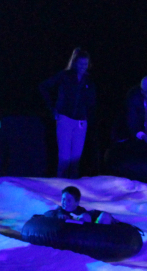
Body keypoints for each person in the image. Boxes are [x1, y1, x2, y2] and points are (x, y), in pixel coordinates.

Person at [40, 49, 97, 179]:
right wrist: (53, 109)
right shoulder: (64, 76)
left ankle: (72, 188)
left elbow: (92, 103)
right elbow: (43, 86)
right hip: (65, 118)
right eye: (81, 63)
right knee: (64, 158)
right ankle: (60, 186)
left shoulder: (89, 81)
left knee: (75, 159)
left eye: (86, 64)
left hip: (81, 122)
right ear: (75, 63)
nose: (83, 67)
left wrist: (87, 117)